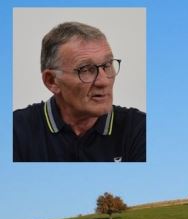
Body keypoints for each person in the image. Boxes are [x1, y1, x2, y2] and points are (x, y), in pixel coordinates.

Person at [13, 21, 145, 162]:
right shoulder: (15, 131)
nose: (104, 81)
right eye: (86, 70)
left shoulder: (140, 129)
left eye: (107, 65)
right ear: (51, 81)